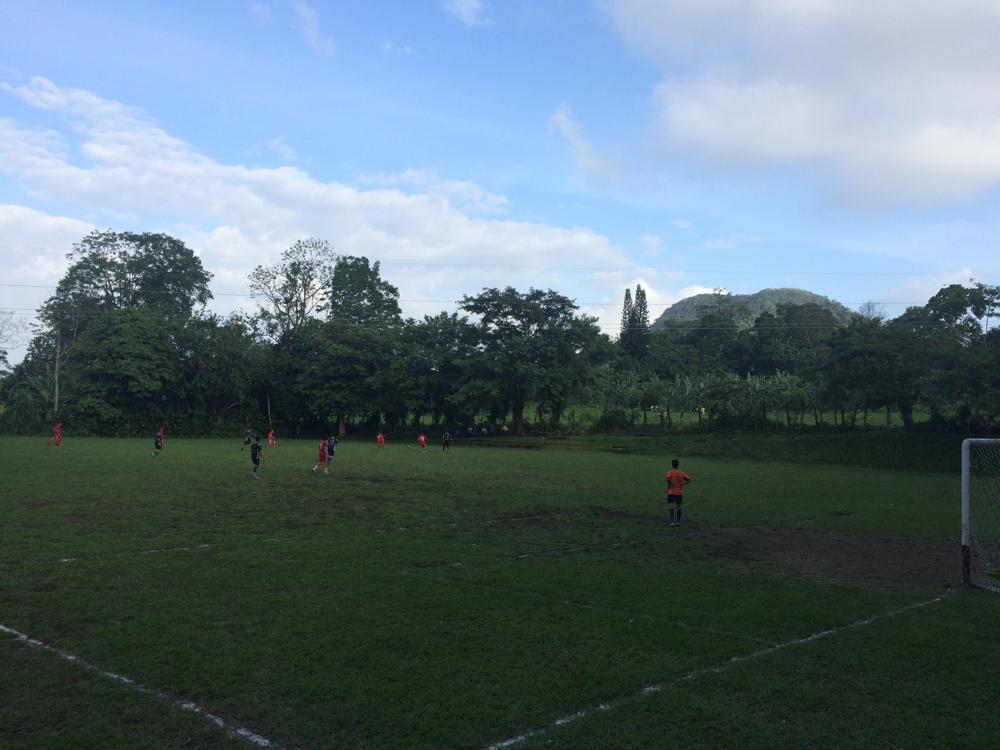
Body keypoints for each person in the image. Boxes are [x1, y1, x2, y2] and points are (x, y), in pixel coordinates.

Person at [664, 459, 692, 527]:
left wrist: (669, 484)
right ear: (678, 465)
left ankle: (672, 522)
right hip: (679, 492)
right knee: (679, 507)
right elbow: (689, 479)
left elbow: (668, 478)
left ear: (672, 464)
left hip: (671, 492)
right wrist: (683, 484)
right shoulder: (681, 473)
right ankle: (678, 522)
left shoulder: (670, 472)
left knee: (671, 506)